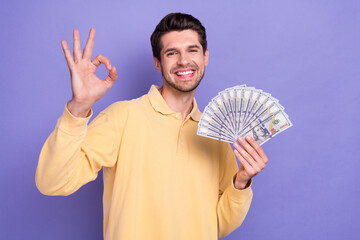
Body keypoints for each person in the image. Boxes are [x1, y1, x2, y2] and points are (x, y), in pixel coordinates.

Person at [36, 13, 268, 240]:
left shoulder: (214, 135)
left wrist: (241, 182)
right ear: (158, 63)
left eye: (192, 50)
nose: (184, 60)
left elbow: (216, 225)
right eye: (172, 53)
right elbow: (52, 182)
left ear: (205, 57)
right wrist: (78, 107)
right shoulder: (122, 117)